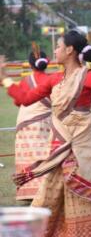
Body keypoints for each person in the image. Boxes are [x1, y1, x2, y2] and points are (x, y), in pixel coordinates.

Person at [0, 31, 91, 237]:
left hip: (80, 153)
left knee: (77, 205)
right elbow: (25, 99)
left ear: (70, 50)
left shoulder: (87, 77)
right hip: (57, 152)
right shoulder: (53, 80)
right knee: (44, 202)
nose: (55, 51)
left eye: (58, 46)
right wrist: (5, 79)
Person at [14, 46, 52, 201]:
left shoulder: (25, 81)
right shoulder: (52, 79)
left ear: (30, 65)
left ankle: (28, 192)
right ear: (46, 63)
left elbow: (18, 101)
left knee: (28, 156)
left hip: (25, 121)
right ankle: (44, 190)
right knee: (45, 155)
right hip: (45, 122)